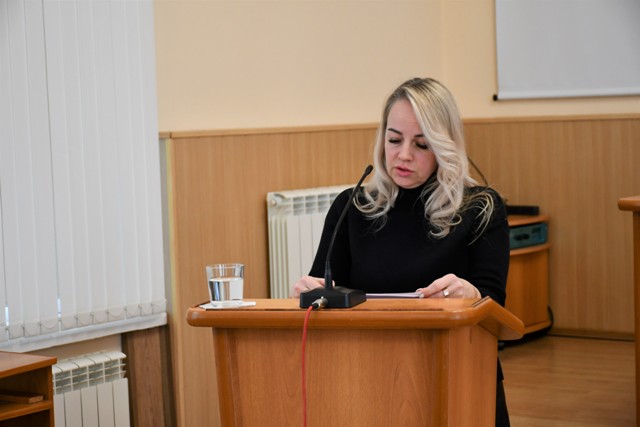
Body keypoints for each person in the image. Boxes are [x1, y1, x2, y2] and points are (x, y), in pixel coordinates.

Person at [290, 77, 511, 426]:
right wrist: (311, 291)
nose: (404, 154)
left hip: (458, 370)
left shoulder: (481, 207)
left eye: (421, 144)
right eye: (394, 140)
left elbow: (494, 303)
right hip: (365, 373)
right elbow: (326, 290)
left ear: (444, 147)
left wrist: (471, 294)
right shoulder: (352, 207)